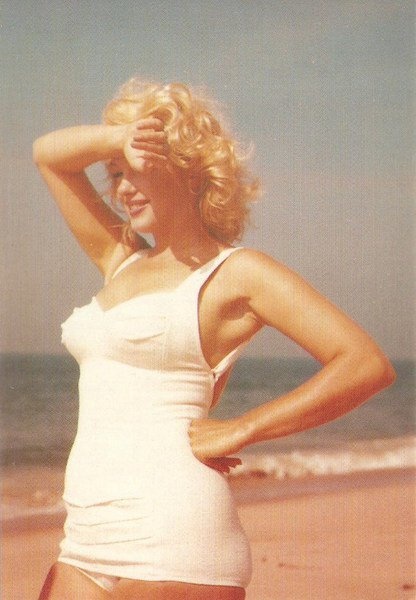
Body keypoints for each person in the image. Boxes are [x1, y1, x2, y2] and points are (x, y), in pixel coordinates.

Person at [33, 79, 395, 600]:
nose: (123, 188)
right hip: (84, 537)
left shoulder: (238, 273)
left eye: (136, 168)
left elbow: (364, 363)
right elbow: (48, 156)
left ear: (186, 166)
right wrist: (119, 139)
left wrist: (243, 428)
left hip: (177, 539)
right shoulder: (119, 258)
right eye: (114, 174)